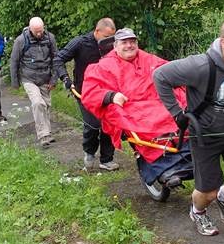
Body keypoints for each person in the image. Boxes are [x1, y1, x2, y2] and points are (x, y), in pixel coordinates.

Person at [153, 17, 224, 237]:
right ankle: (198, 211)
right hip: (205, 137)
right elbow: (160, 76)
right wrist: (178, 114)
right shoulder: (200, 66)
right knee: (207, 192)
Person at [81, 28, 188, 166]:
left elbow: (170, 69)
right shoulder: (103, 66)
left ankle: (187, 151)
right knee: (149, 122)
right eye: (124, 42)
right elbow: (90, 91)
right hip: (131, 108)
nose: (129, 45)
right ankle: (160, 163)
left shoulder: (149, 59)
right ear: (115, 46)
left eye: (132, 41)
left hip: (158, 102)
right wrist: (111, 96)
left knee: (184, 108)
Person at [53, 18, 118, 170]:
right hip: (84, 92)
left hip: (107, 92)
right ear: (97, 31)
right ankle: (89, 153)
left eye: (111, 38)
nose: (109, 41)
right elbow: (58, 59)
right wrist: (65, 78)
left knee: (109, 123)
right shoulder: (80, 43)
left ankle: (107, 159)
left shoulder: (112, 46)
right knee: (93, 125)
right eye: (106, 37)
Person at [10, 17, 58, 147]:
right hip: (29, 77)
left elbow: (56, 59)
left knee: (46, 105)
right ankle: (43, 135)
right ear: (30, 29)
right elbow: (14, 61)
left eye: (41, 31)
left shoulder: (50, 38)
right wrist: (15, 82)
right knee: (38, 103)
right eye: (36, 31)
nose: (39, 34)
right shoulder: (21, 41)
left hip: (45, 77)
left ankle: (47, 133)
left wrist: (54, 79)